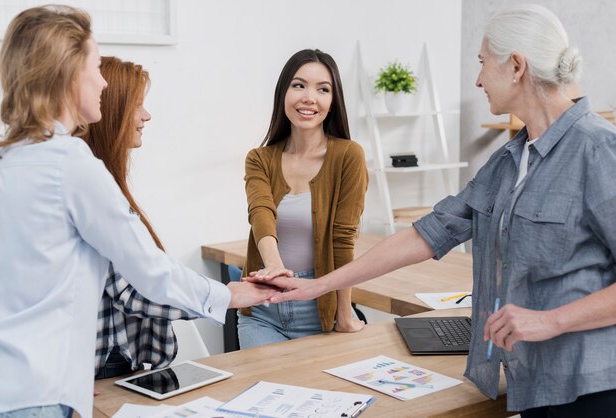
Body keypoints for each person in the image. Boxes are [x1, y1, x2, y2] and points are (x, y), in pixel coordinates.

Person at [249, 5, 616, 416]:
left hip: (594, 388)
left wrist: (554, 320)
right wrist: (317, 285)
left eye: (482, 64)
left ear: (516, 66)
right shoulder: (510, 160)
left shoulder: (598, 149)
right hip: (532, 384)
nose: (477, 79)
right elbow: (426, 234)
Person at [0, 5, 278, 418]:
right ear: (70, 74)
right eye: (95, 66)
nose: (103, 81)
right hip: (38, 395)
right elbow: (148, 272)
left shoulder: (1, 160)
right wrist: (229, 294)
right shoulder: (70, 163)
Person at [237, 49, 368, 348]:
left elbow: (343, 239)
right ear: (283, 92)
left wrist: (344, 314)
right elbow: (261, 214)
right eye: (299, 85)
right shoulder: (259, 158)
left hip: (319, 307)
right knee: (264, 392)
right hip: (263, 307)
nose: (310, 97)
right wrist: (275, 269)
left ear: (333, 102)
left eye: (323, 89)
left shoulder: (348, 156)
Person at [80, 56, 195, 379]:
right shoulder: (90, 189)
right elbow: (137, 290)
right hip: (97, 368)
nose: (146, 116)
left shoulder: (104, 181)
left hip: (114, 359)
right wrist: (228, 296)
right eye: (137, 105)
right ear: (111, 110)